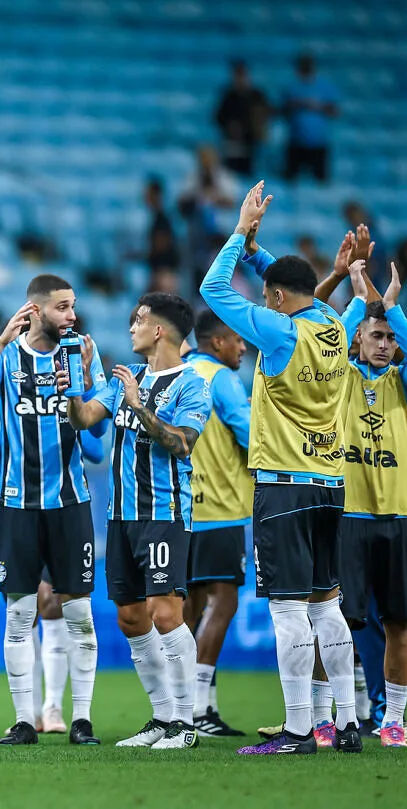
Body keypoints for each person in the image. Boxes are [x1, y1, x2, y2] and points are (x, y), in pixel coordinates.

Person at [200, 181, 361, 755]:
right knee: (328, 606)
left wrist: (242, 232)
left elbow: (211, 288)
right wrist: (263, 257)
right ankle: (345, 722)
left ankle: (297, 729)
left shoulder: (278, 329)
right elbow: (301, 291)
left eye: (269, 295)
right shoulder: (334, 327)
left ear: (272, 299)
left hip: (283, 487)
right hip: (329, 484)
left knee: (288, 610)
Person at [0, 275, 108, 746]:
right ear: (34, 311)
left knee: (78, 615)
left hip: (70, 504)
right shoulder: (8, 357)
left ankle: (80, 720)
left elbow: (97, 434)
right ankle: (24, 720)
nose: (71, 316)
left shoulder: (83, 351)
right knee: (19, 617)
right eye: (62, 307)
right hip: (16, 506)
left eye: (73, 306)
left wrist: (79, 398)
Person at [66, 293, 210, 751]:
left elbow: (182, 443)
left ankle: (187, 723)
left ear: (160, 330)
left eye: (139, 320)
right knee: (131, 618)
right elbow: (86, 419)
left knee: (166, 613)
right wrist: (77, 378)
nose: (131, 327)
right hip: (121, 516)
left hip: (164, 513)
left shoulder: (191, 383)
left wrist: (139, 407)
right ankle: (162, 715)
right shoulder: (125, 378)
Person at [332, 260, 407, 747]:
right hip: (349, 516)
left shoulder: (406, 388)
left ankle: (393, 718)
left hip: (400, 518)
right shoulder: (341, 380)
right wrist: (358, 304)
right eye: (376, 336)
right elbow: (331, 349)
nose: (384, 344)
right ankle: (336, 717)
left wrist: (392, 309)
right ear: (358, 341)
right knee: (337, 622)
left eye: (390, 338)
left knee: (399, 621)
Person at [0, 387, 105, 738]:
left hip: (61, 511)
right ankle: (28, 713)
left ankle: (53, 707)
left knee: (54, 603)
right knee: (22, 615)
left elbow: (95, 448)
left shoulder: (65, 391)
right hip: (14, 511)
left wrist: (71, 411)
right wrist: (19, 419)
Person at [181, 311, 251, 737]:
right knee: (223, 603)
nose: (243, 348)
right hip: (220, 508)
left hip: (185, 510)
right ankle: (200, 708)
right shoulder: (223, 380)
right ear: (217, 341)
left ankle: (184, 703)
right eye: (237, 341)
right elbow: (251, 435)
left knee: (189, 609)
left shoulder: (183, 372)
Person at [281, 54, 338, 183]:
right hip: (296, 141)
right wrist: (298, 104)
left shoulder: (324, 86)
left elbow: (334, 111)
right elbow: (283, 110)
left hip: (318, 142)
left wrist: (318, 106)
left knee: (321, 182)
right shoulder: (292, 87)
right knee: (290, 181)